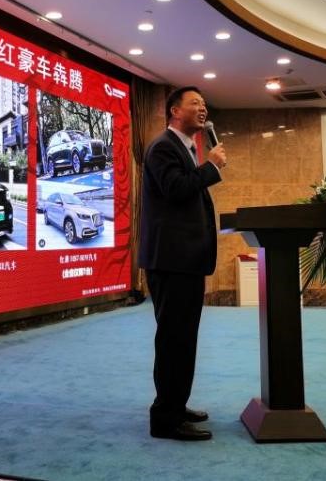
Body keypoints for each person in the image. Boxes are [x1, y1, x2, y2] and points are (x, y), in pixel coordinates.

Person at [139, 86, 227, 441]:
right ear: (175, 111)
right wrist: (211, 167)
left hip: (184, 261)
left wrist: (205, 166)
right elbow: (175, 189)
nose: (202, 108)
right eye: (195, 103)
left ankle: (176, 404)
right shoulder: (163, 146)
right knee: (174, 339)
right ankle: (165, 419)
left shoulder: (185, 148)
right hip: (171, 261)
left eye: (204, 103)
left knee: (183, 339)